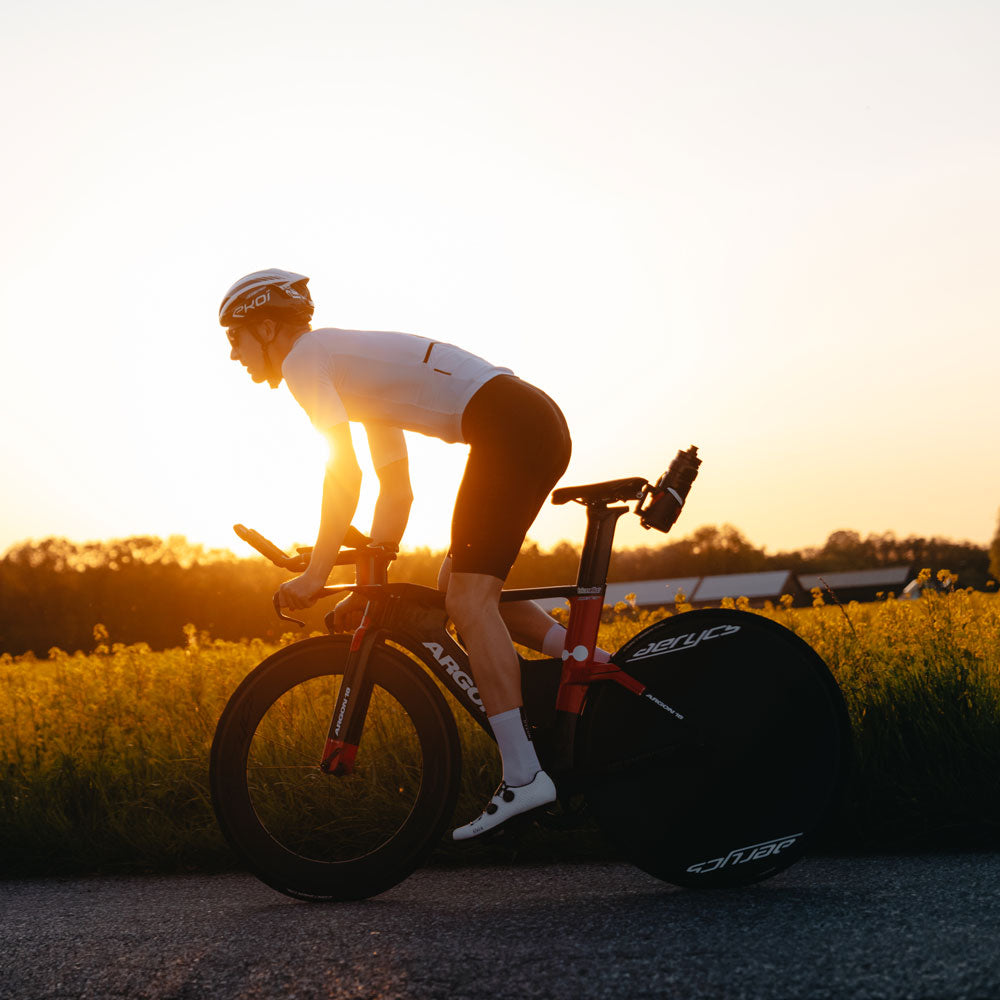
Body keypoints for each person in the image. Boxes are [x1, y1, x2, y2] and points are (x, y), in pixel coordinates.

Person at [220, 268, 589, 839]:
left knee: (468, 602)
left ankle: (523, 776)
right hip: (525, 419)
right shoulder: (343, 368)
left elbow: (343, 475)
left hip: (511, 427)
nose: (233, 354)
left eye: (235, 337)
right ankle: (594, 668)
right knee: (457, 587)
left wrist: (316, 573)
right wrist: (375, 569)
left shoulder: (304, 359)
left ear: (267, 329)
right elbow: (395, 490)